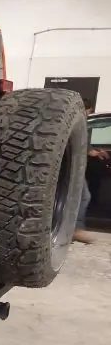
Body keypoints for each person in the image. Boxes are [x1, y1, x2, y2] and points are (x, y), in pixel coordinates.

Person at [74, 98, 109, 244]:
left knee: (83, 197)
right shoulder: (76, 123)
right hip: (75, 168)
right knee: (84, 197)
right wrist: (93, 152)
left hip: (78, 167)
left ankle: (75, 228)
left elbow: (85, 144)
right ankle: (76, 229)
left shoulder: (77, 123)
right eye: (88, 112)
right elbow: (78, 143)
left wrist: (97, 151)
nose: (88, 115)